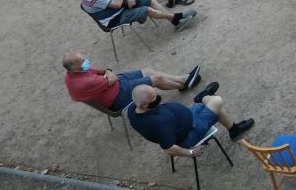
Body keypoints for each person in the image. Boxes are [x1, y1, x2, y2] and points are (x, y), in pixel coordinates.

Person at [128, 84, 255, 158]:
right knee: (217, 101)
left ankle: (234, 130)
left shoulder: (134, 108)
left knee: (213, 107)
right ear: (144, 104)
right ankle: (203, 97)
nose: (159, 97)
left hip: (186, 117)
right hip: (191, 133)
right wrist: (190, 152)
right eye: (154, 98)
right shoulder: (159, 123)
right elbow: (168, 149)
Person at [63, 52, 201, 112]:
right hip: (117, 97)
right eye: (83, 60)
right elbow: (112, 78)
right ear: (77, 67)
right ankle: (184, 84)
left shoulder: (73, 73)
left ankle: (183, 79)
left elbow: (102, 70)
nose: (87, 61)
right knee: (155, 80)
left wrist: (107, 72)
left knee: (147, 70)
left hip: (116, 86)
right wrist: (108, 73)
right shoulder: (86, 82)